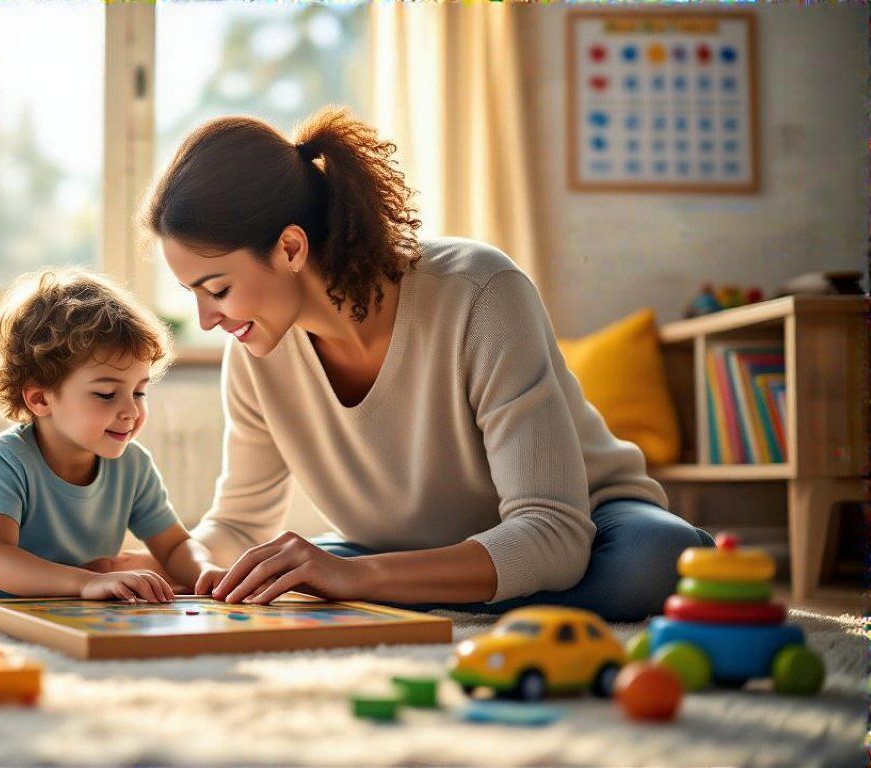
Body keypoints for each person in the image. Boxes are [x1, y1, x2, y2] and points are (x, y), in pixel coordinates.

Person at [139, 107, 711, 622]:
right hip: (396, 554)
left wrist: (358, 579)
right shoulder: (255, 353)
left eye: (217, 289)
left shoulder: (478, 291)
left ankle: (409, 592)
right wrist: (166, 564)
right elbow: (238, 525)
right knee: (288, 570)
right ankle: (428, 589)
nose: (206, 319)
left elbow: (553, 533)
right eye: (193, 294)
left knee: (655, 561)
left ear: (291, 248)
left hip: (587, 525)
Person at [0, 268, 219, 610]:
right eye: (106, 394)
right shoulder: (5, 459)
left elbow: (174, 547)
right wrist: (86, 582)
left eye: (139, 392)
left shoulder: (135, 466)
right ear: (40, 399)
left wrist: (205, 571)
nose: (131, 410)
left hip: (57, 590)